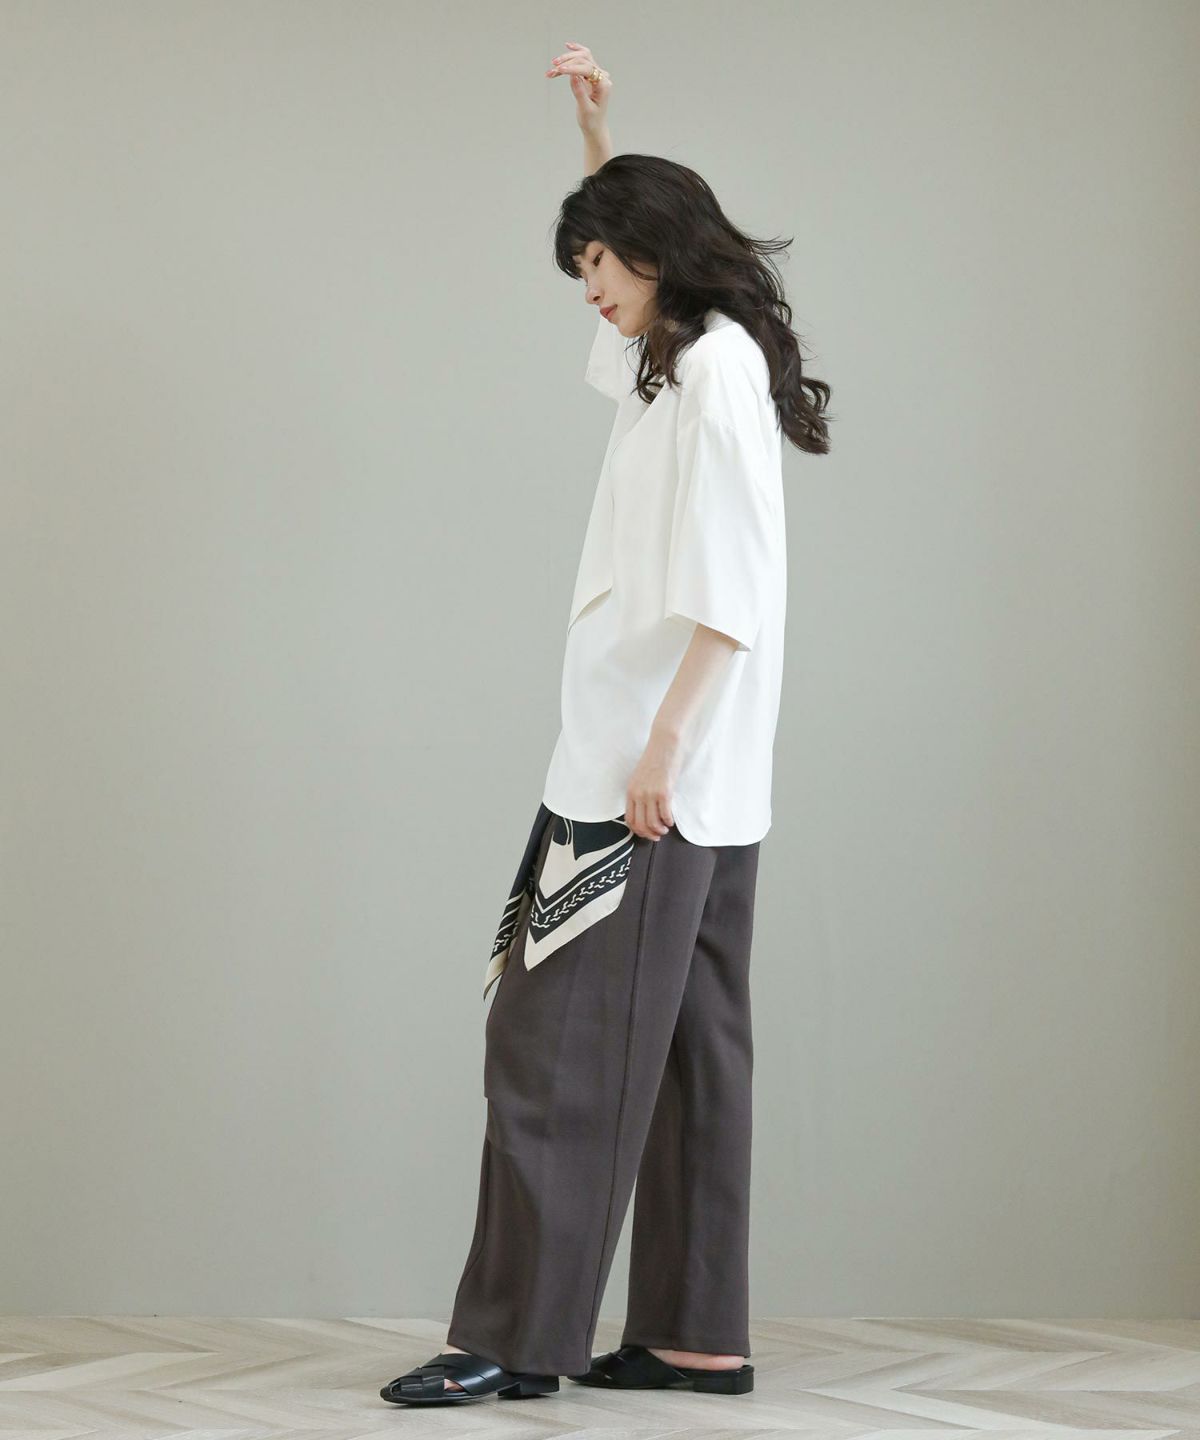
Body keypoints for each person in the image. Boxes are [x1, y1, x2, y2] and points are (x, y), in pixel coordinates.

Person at [381, 41, 832, 1409]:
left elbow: (736, 589)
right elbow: (633, 316)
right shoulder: (683, 359)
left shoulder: (714, 373)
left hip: (649, 771)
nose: (590, 290)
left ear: (654, 254)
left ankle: (517, 1338)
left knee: (554, 1049)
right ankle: (695, 1334)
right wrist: (597, 142)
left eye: (599, 264)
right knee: (691, 1051)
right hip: (691, 773)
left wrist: (659, 752)